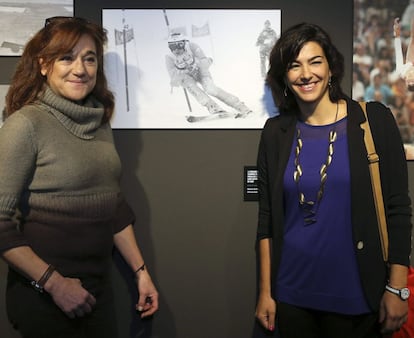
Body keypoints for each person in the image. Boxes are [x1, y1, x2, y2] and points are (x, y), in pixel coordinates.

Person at [0, 16, 159, 338]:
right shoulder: (25, 125)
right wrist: (55, 284)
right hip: (44, 297)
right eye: (67, 57)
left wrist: (141, 272)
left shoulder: (99, 122)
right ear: (44, 64)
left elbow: (112, 204)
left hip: (97, 292)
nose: (80, 69)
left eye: (90, 58)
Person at [255, 22, 412, 337]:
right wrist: (265, 292)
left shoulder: (373, 120)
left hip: (357, 296)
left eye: (315, 61)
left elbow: (398, 209)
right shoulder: (276, 132)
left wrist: (398, 289)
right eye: (294, 65)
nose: (306, 73)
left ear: (330, 68)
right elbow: (267, 220)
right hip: (292, 295)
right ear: (284, 77)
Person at [165, 32, 252, 118]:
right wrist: (182, 72)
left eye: (179, 45)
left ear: (184, 43)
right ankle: (213, 107)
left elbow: (204, 60)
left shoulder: (192, 47)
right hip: (187, 77)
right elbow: (173, 75)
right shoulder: (169, 57)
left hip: (200, 71)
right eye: (172, 46)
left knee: (211, 89)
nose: (176, 50)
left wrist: (196, 64)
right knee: (191, 87)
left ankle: (239, 105)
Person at [393, 17, 414, 91]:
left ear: (405, 82)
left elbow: (398, 53)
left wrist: (397, 36)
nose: (411, 78)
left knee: (413, 39)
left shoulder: (401, 71)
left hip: (411, 59)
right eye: (413, 81)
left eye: (409, 81)